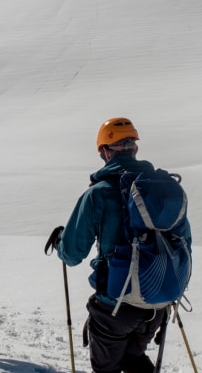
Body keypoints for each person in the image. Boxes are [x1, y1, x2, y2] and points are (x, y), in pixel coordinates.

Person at [51, 117, 191, 373]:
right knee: (132, 357)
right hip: (157, 302)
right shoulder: (163, 190)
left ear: (105, 151)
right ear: (134, 148)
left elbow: (71, 254)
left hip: (115, 307)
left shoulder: (99, 193)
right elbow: (185, 242)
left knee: (108, 367)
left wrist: (60, 241)